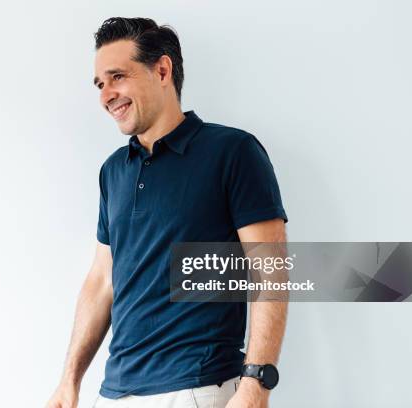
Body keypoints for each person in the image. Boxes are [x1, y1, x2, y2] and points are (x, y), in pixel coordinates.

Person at [47, 17, 288, 408]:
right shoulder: (113, 172)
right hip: (115, 393)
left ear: (162, 70)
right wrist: (69, 380)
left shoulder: (232, 152)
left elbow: (271, 268)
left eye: (117, 77)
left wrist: (256, 383)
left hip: (197, 388)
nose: (106, 94)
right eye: (99, 84)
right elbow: (101, 281)